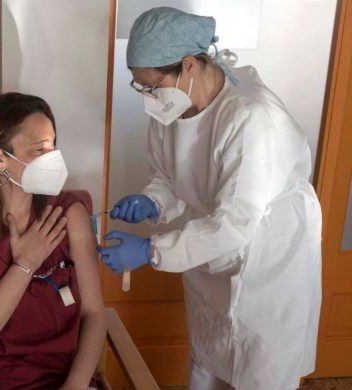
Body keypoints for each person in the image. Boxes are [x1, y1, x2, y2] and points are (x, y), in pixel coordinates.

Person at [98, 7, 322, 390]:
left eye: (152, 87)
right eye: (141, 88)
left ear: (189, 65)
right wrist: (153, 201)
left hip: (267, 263)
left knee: (258, 369)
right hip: (211, 257)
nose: (149, 99)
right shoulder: (173, 107)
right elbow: (166, 176)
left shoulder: (251, 119)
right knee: (209, 359)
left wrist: (151, 250)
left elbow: (236, 223)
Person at [0, 92, 106, 390]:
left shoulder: (68, 215)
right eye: (40, 149)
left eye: (54, 145)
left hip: (57, 381)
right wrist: (25, 264)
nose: (53, 158)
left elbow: (94, 314)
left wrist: (74, 386)